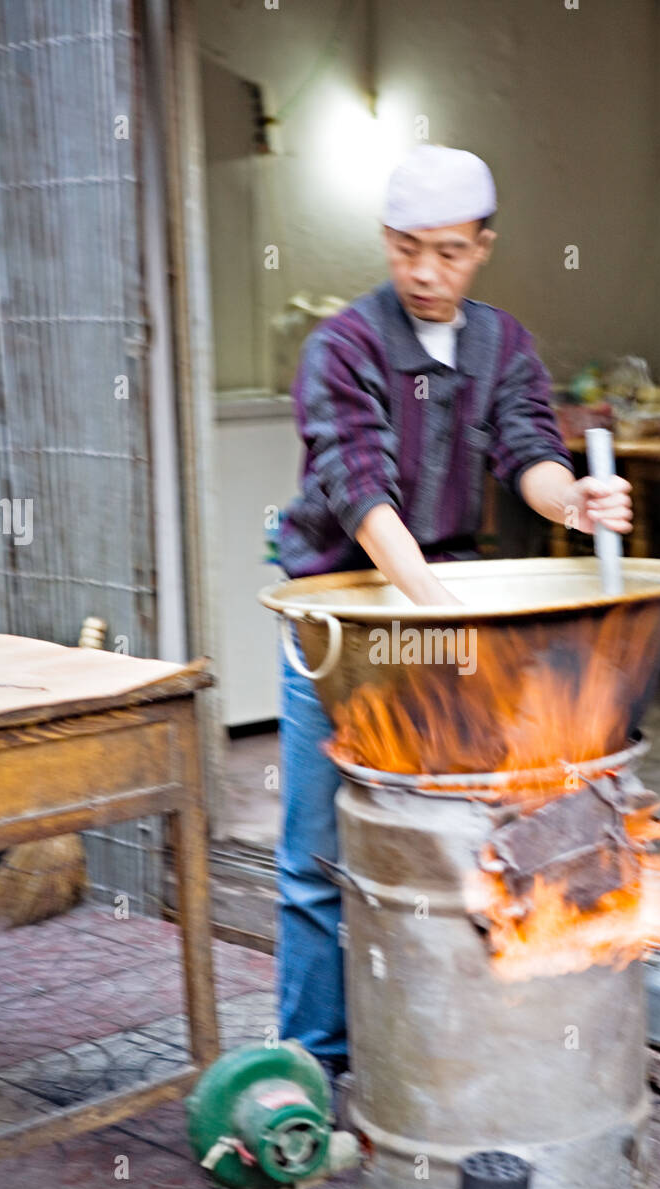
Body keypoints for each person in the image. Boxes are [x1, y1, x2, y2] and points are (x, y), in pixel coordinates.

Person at [273, 146, 631, 1080]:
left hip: (442, 609)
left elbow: (530, 450)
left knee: (447, 843)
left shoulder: (500, 344)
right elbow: (363, 491)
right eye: (405, 250)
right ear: (386, 243)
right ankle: (314, 1062)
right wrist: (442, 619)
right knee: (317, 855)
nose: (425, 273)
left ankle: (434, 1057)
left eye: (448, 252)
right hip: (339, 619)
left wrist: (572, 503)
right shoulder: (342, 346)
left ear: (483, 247)